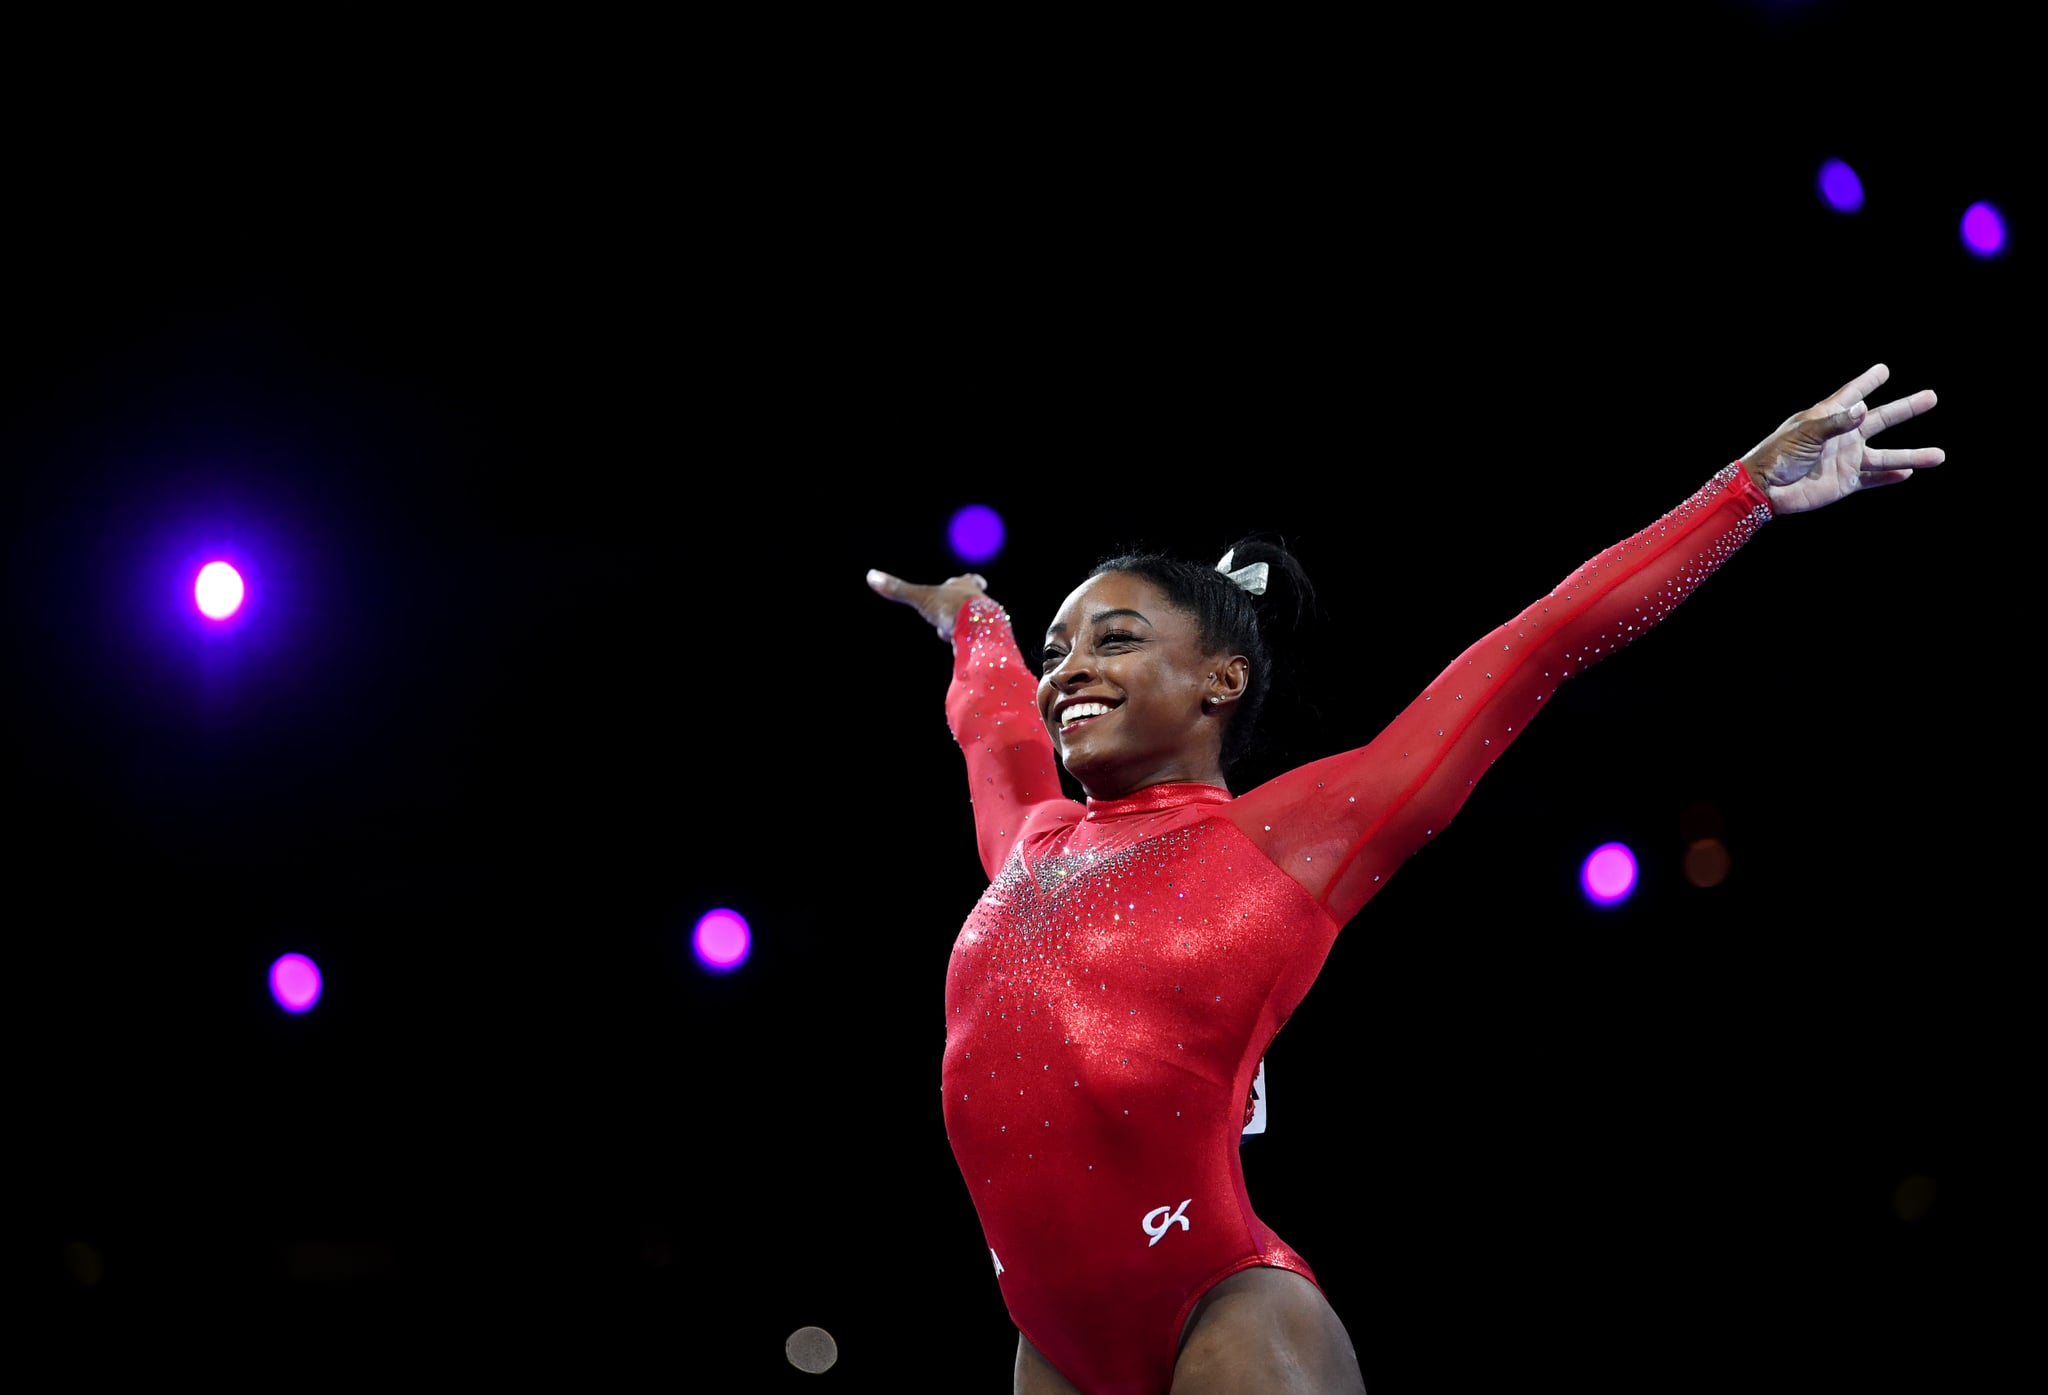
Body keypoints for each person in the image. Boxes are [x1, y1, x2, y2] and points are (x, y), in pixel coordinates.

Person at [864, 362, 1942, 1395]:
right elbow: (992, 721)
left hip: (1218, 1309)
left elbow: (1531, 649)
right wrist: (971, 617)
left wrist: (1740, 494)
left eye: (1115, 639)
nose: (1071, 672)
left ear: (1217, 681)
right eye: (1059, 650)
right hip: (1049, 1342)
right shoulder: (1026, 843)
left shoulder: (1286, 840)